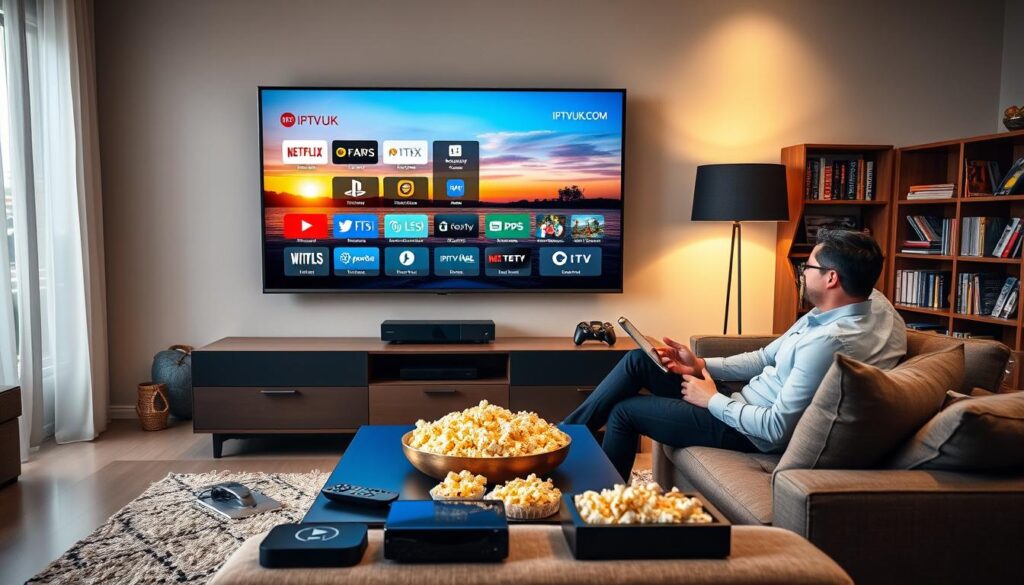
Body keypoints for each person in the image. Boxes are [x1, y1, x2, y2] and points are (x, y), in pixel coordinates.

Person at [563, 229, 907, 479]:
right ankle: (558, 441)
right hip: (737, 400)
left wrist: (710, 399)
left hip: (746, 431)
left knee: (625, 412)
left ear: (832, 278)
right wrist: (699, 364)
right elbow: (763, 357)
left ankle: (597, 505)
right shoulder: (875, 303)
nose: (802, 272)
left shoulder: (829, 343)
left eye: (809, 267)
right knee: (641, 360)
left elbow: (774, 430)